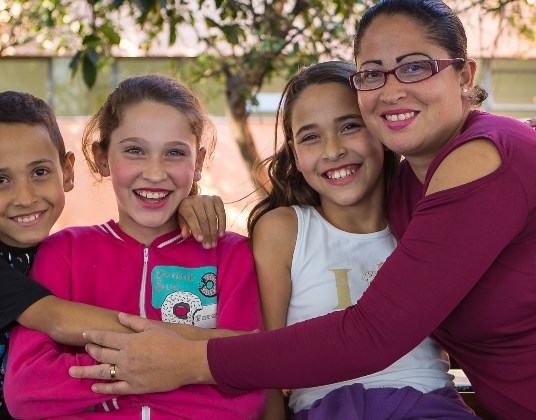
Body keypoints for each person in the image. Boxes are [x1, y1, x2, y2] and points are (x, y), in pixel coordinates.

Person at [68, 0, 536, 418]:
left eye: (415, 67)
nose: (392, 90)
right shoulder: (406, 191)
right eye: (372, 72)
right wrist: (187, 204)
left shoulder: (485, 153)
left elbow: (374, 334)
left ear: (465, 76)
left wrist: (188, 362)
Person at [3, 74, 266, 419]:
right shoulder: (63, 253)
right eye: (135, 151)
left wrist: (109, 389)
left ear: (198, 163)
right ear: (101, 157)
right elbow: (27, 389)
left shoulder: (230, 256)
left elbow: (244, 399)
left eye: (174, 153)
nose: (155, 173)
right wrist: (152, 373)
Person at [249, 60, 475, 419]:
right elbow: (261, 364)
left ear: (381, 130)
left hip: (428, 404)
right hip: (326, 409)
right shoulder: (284, 231)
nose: (333, 150)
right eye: (310, 136)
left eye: (350, 126)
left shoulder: (424, 219)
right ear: (294, 153)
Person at [0, 91, 139, 419]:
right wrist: (196, 349)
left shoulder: (70, 255)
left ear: (67, 172)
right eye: (0, 180)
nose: (25, 197)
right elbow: (56, 320)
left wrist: (187, 207)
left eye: (39, 172)